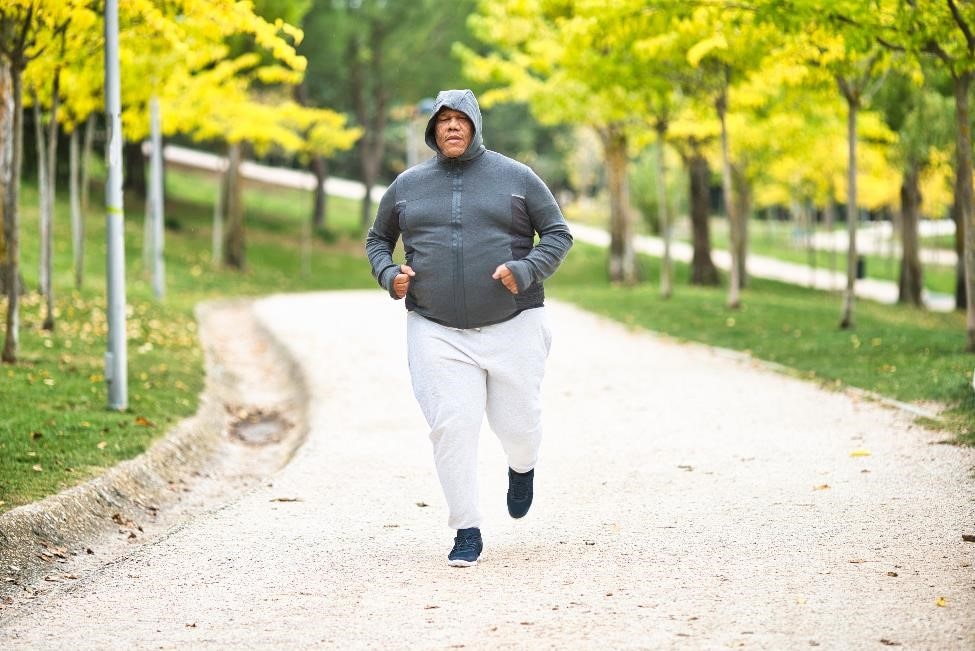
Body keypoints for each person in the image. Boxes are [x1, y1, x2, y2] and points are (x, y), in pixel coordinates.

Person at [365, 89, 573, 567]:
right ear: (433, 130)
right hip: (435, 327)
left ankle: (522, 468)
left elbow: (558, 233)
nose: (452, 127)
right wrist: (387, 274)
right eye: (443, 120)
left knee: (517, 426)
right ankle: (466, 528)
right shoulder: (408, 185)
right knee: (452, 426)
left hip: (514, 322)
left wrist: (525, 271)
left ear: (476, 125)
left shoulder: (517, 178)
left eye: (461, 119)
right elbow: (378, 240)